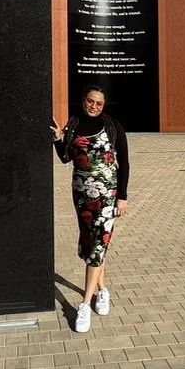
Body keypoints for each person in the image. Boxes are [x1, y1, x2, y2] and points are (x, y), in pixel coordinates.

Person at [51, 85, 129, 333]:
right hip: (81, 194)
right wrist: (57, 139)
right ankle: (103, 290)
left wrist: (122, 197)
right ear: (83, 100)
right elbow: (66, 157)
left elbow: (124, 163)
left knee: (97, 244)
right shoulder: (74, 125)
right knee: (92, 241)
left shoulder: (112, 125)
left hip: (107, 195)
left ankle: (85, 304)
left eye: (99, 103)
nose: (94, 106)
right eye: (90, 101)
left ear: (103, 105)